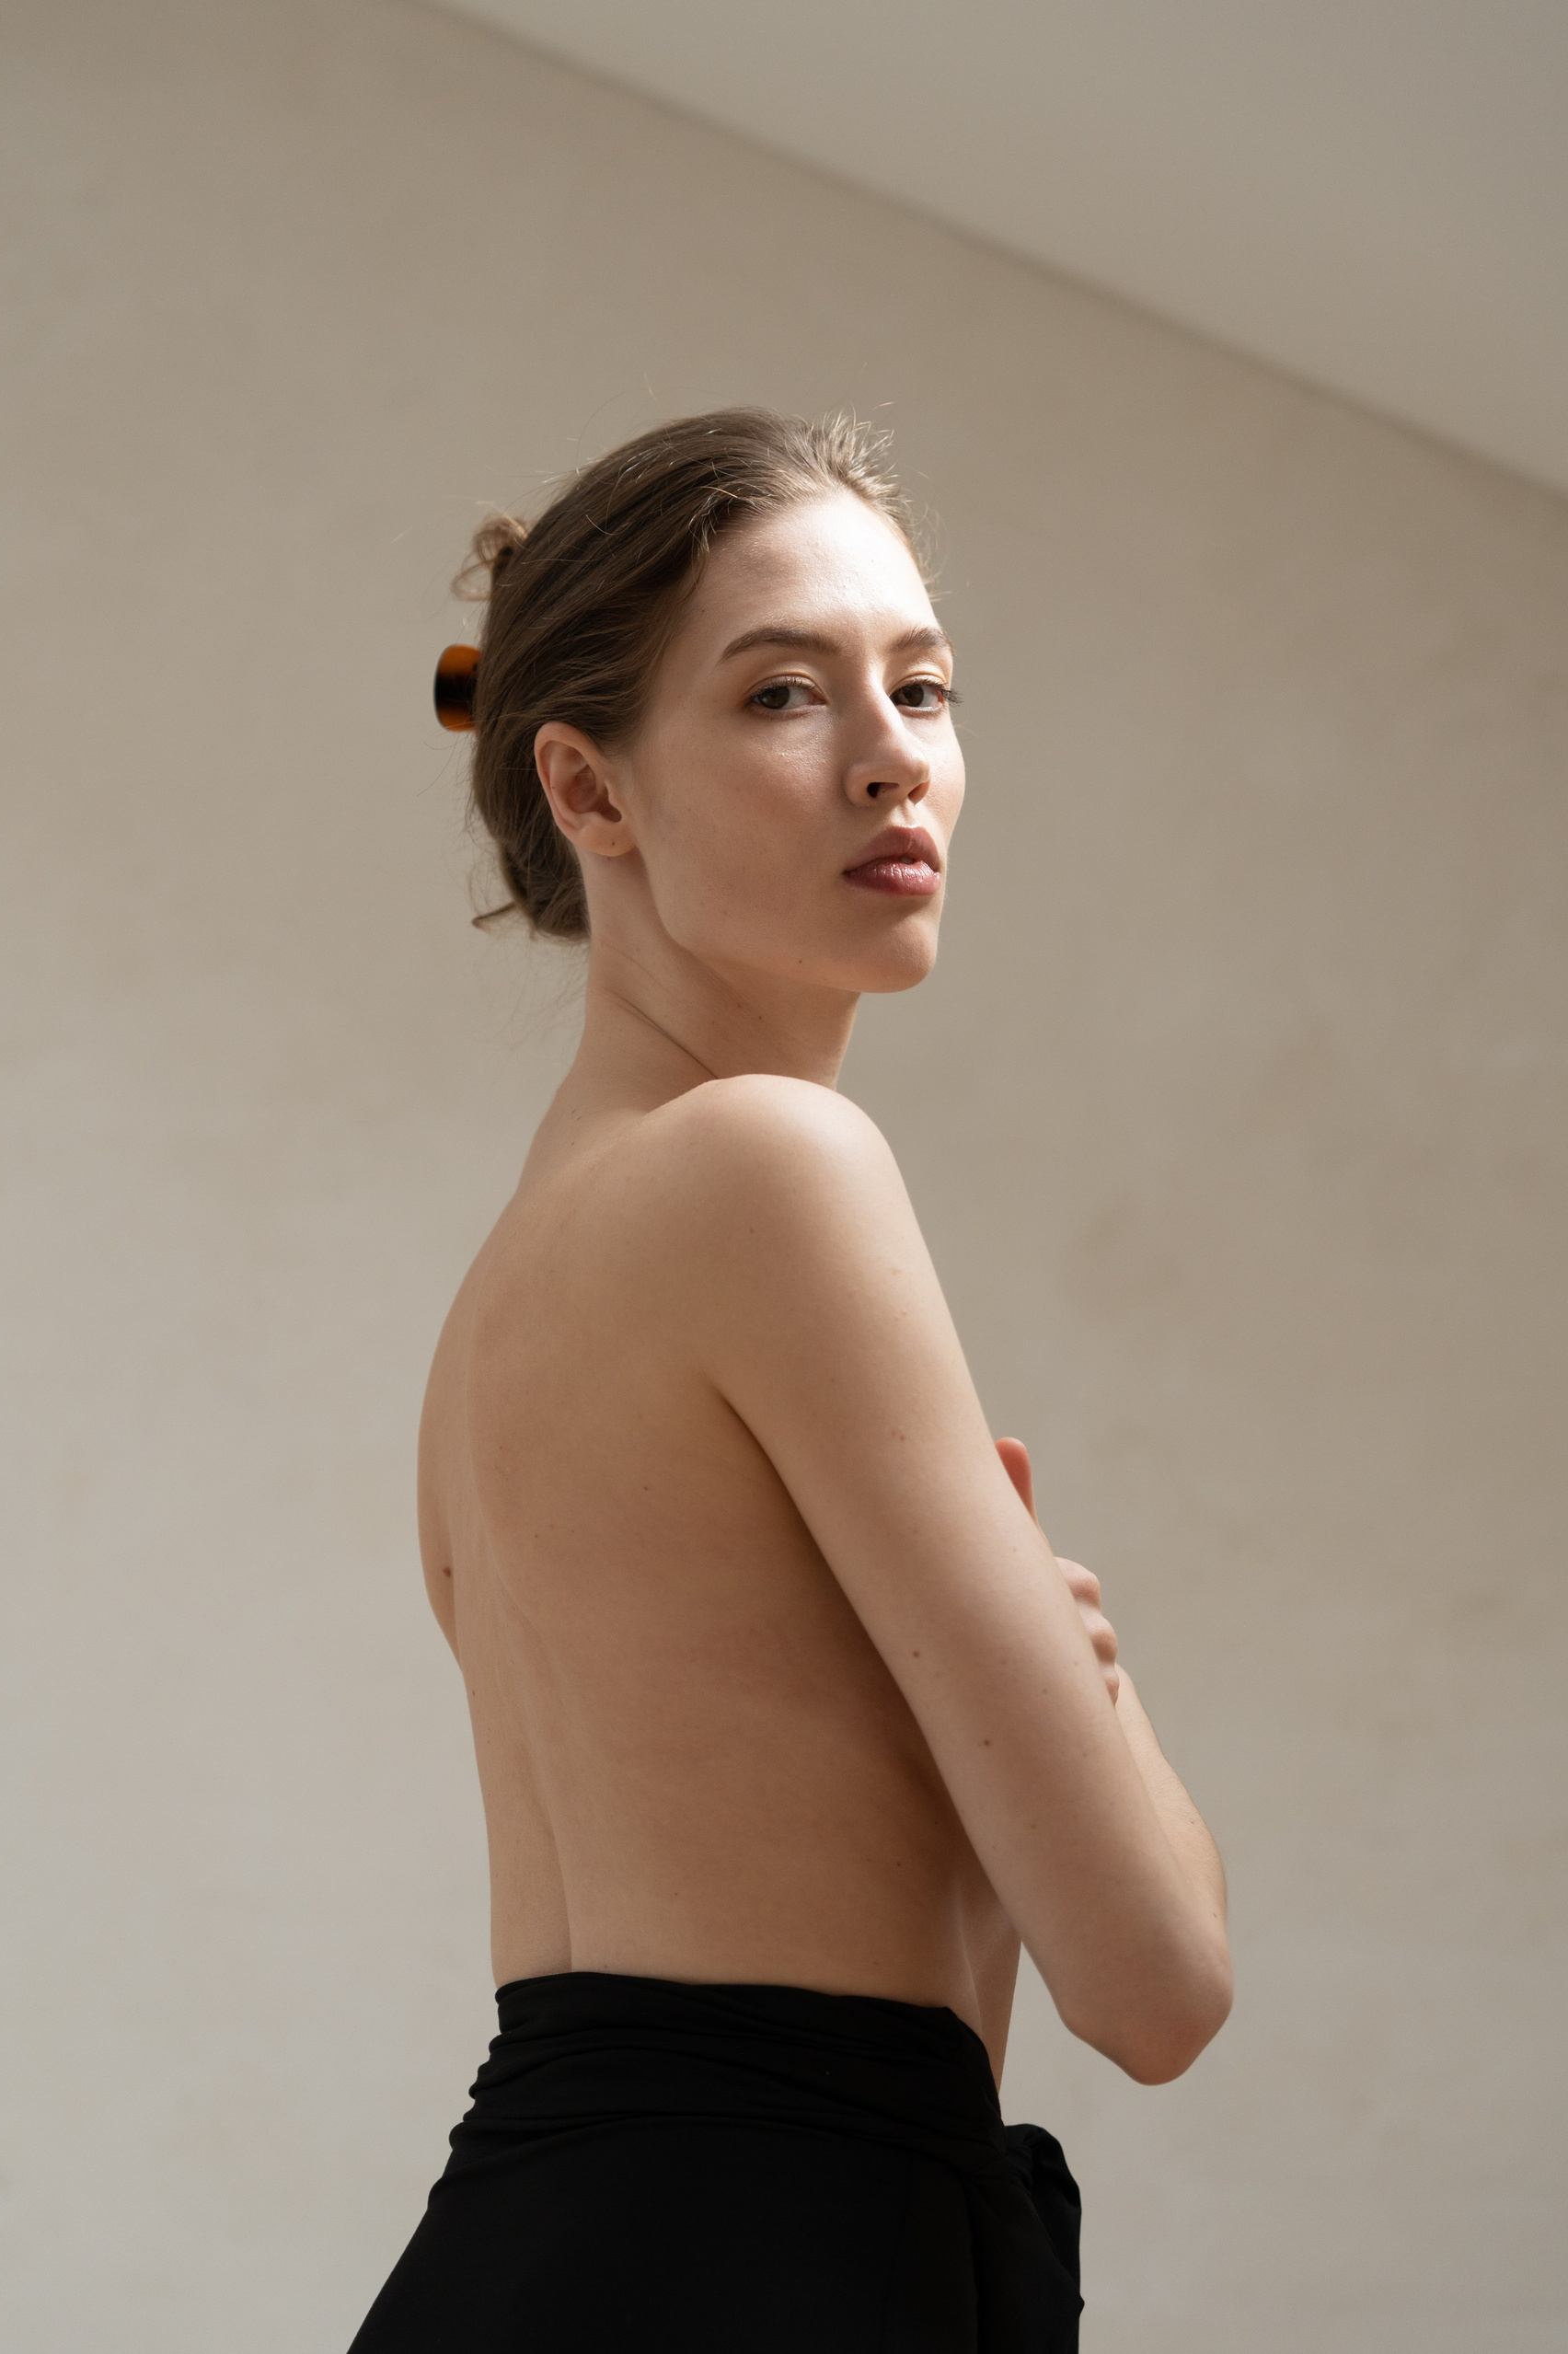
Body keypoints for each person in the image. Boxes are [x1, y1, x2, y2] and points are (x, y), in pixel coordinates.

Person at [349, 410, 1231, 2351]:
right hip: (770, 2269)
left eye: (923, 685)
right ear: (587, 785)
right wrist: (1084, 1663)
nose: (892, 753)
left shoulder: (501, 1305)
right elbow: (1157, 1979)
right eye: (781, 692)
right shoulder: (772, 1166)